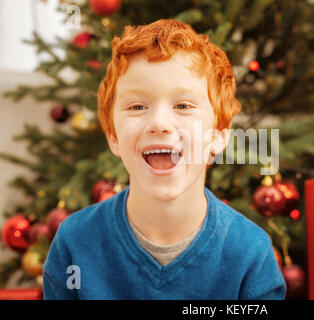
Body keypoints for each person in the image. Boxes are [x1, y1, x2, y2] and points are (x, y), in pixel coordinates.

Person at [43, 19, 286, 299]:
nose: (159, 123)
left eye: (183, 106)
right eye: (137, 106)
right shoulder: (73, 243)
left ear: (218, 136)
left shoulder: (251, 254)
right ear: (113, 136)